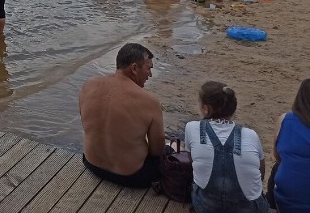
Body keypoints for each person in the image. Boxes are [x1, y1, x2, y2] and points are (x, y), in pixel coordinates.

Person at [79, 43, 165, 187]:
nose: (150, 74)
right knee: (168, 152)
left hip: (91, 164)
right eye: (149, 68)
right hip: (132, 176)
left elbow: (88, 125)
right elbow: (157, 150)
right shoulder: (150, 101)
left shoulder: (89, 85)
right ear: (134, 68)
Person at [185, 81, 269, 213]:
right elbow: (261, 173)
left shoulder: (191, 128)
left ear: (206, 109)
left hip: (207, 207)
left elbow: (192, 162)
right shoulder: (251, 135)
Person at [272, 79, 310, 212]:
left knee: (277, 167)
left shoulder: (284, 120)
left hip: (286, 201)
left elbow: (278, 157)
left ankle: (270, 205)